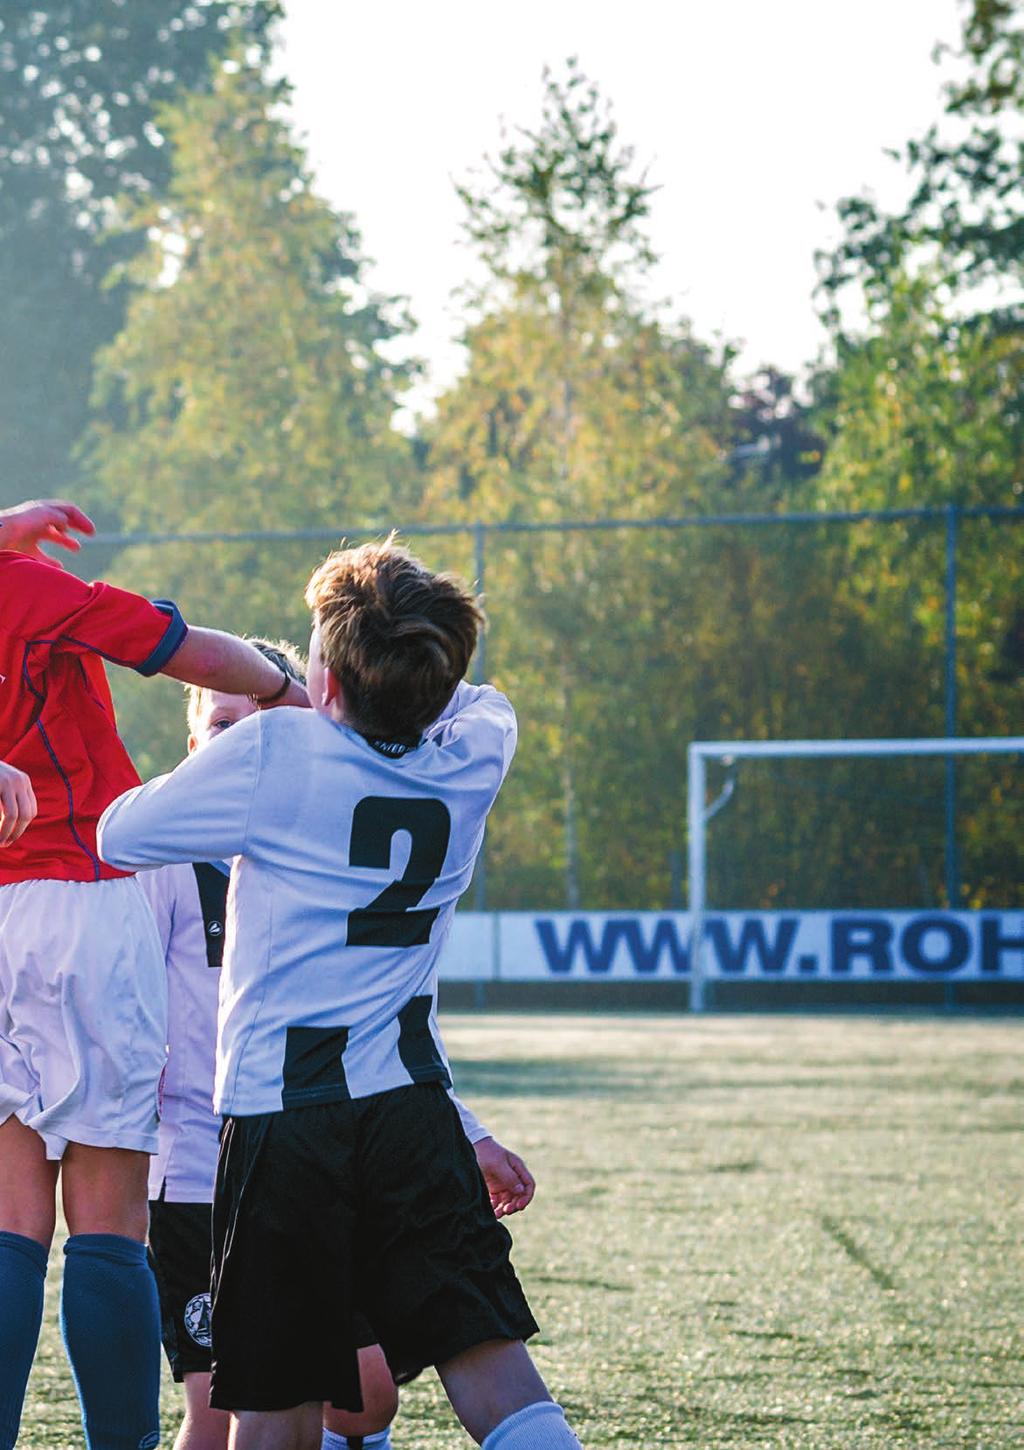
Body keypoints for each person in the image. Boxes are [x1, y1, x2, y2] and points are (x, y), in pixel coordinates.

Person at [98, 536, 583, 1450]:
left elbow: (121, 832)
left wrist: (290, 711)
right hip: (409, 1109)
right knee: (492, 1365)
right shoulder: (477, 750)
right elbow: (465, 699)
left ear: (324, 686)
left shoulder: (278, 750)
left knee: (275, 1406)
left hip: (287, 1118)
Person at [0, 498, 307, 1450]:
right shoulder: (29, 592)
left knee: (11, 1220)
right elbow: (191, 654)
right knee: (106, 1218)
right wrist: (283, 684)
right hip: (83, 899)